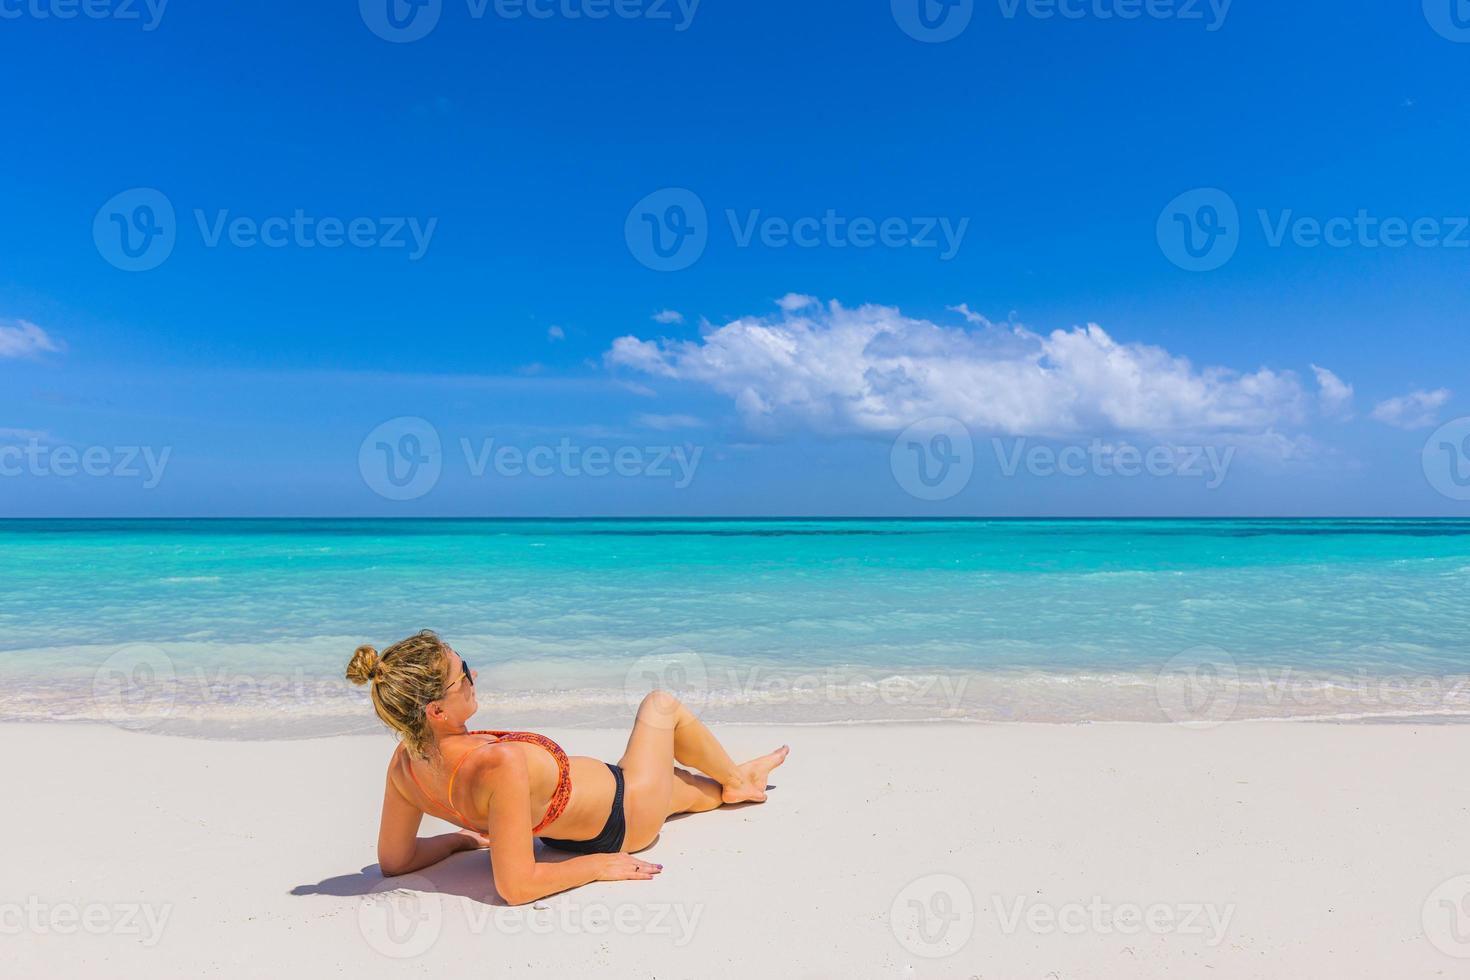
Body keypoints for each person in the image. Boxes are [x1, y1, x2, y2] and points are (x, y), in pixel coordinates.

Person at [346, 630, 789, 905]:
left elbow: (394, 861)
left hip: (581, 818)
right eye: (463, 674)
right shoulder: (494, 763)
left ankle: (735, 783)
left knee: (695, 790)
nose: (474, 674)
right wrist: (597, 866)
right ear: (436, 711)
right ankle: (739, 782)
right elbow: (515, 887)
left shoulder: (405, 765)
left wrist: (460, 838)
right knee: (660, 706)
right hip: (624, 813)